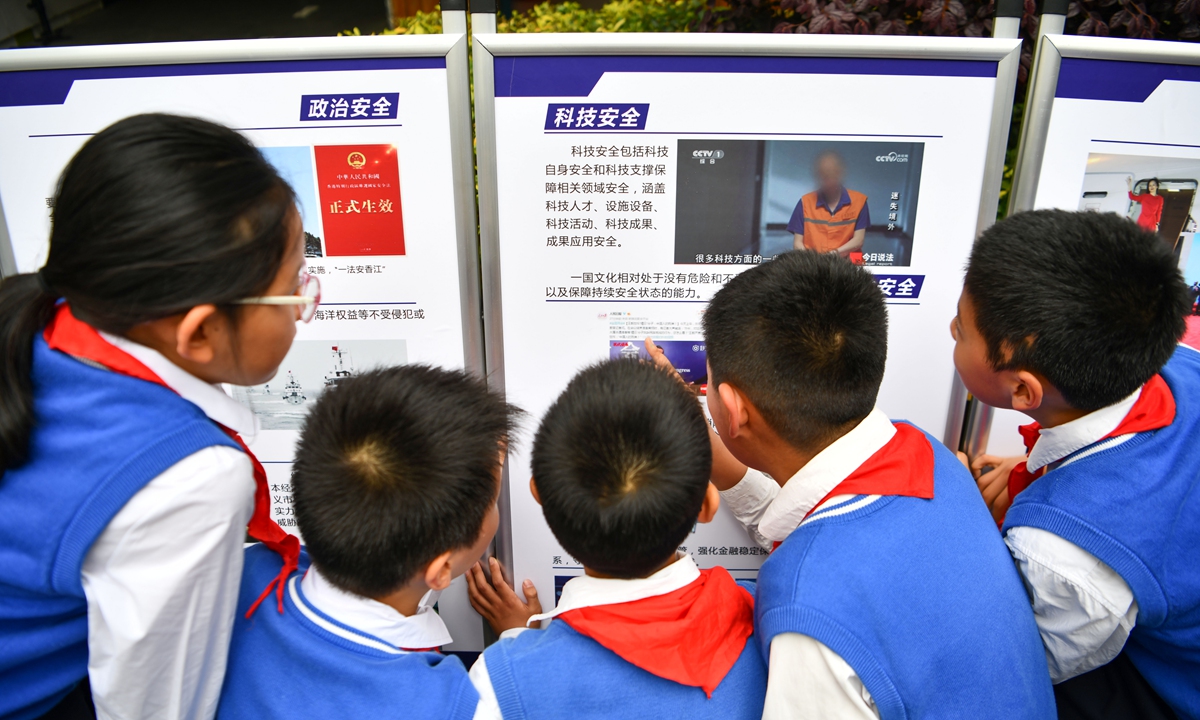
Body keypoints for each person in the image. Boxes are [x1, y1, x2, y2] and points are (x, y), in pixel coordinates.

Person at [0, 114, 314, 720]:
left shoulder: (37, 319)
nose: (303, 305)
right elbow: (155, 709)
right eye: (293, 286)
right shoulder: (187, 478)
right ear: (199, 331)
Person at [683, 250, 1055, 719]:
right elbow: (825, 523)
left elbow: (827, 556)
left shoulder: (809, 613)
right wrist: (719, 460)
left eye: (706, 380)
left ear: (733, 411)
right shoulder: (926, 454)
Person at [953, 209, 1197, 719]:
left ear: (1022, 389)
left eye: (963, 330)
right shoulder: (1176, 362)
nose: (952, 326)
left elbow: (1015, 666)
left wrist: (961, 521)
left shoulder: (1062, 557)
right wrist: (1038, 475)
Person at [464, 360, 767, 720]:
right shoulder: (770, 616)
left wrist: (518, 642)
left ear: (540, 494)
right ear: (706, 504)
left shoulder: (499, 683)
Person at [217, 365, 520, 719]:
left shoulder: (245, 572)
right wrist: (517, 637)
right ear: (441, 569)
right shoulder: (448, 706)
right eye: (494, 499)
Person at [788, 150, 869, 257]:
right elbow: (798, 243)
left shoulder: (859, 201)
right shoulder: (805, 202)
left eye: (833, 172)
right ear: (817, 174)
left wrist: (833, 255)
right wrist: (812, 262)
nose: (828, 176)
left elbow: (858, 240)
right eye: (824, 173)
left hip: (849, 267)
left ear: (841, 172)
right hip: (813, 265)